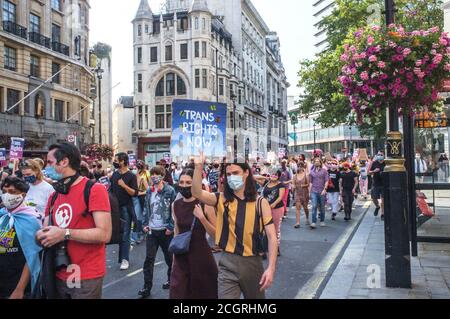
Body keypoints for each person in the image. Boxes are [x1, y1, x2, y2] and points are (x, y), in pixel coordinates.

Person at [191, 154, 278, 299]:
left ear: (246, 173)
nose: (232, 177)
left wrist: (271, 268)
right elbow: (196, 192)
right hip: (227, 263)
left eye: (235, 173)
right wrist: (198, 167)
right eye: (229, 174)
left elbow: (272, 237)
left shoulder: (260, 203)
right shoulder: (220, 198)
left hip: (252, 264)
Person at [35, 143, 112, 299]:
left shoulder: (94, 190)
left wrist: (65, 233)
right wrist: (40, 235)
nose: (46, 168)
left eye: (49, 162)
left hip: (85, 275)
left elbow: (104, 234)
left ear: (64, 162)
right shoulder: (54, 195)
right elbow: (46, 231)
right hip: (57, 272)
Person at [170, 169, 218, 299]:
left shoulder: (205, 203)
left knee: (204, 293)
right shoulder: (176, 204)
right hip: (181, 257)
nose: (184, 186)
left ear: (195, 184)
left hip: (201, 257)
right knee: (179, 293)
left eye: (188, 182)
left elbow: (216, 235)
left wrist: (202, 218)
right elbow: (177, 232)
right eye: (181, 182)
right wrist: (174, 260)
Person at [0, 176, 42, 299]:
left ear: (22, 195)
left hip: (17, 283)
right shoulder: (2, 215)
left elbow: (32, 258)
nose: (7, 195)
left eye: (12, 192)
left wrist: (20, 289)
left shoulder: (31, 220)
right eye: (4, 191)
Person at [139, 166, 176, 298]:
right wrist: (144, 224)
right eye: (152, 174)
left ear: (162, 175)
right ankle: (146, 287)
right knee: (149, 260)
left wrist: (171, 227)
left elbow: (174, 209)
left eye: (157, 174)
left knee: (169, 258)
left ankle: (171, 281)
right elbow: (146, 207)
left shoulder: (170, 190)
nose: (154, 176)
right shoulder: (149, 190)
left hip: (165, 231)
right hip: (152, 231)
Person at [110, 152, 138, 270]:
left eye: (117, 160)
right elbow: (110, 190)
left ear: (123, 161)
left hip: (126, 207)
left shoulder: (131, 176)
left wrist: (124, 186)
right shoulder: (114, 175)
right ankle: (122, 257)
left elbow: (134, 192)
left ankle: (125, 259)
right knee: (118, 234)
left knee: (126, 233)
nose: (115, 162)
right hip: (115, 209)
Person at [20, 159, 54, 224]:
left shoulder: (48, 189)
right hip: (25, 225)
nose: (26, 177)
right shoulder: (25, 186)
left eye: (28, 174)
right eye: (24, 175)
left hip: (41, 226)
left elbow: (52, 211)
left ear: (37, 171)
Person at [262, 170, 285, 256]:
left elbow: (280, 197)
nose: (274, 176)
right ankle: (263, 250)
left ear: (279, 176)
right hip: (265, 209)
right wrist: (266, 177)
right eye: (272, 174)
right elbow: (254, 177)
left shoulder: (280, 185)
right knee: (263, 229)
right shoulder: (266, 183)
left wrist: (273, 204)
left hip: (277, 209)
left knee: (275, 229)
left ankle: (276, 248)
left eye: (276, 175)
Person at [309, 158, 329, 229]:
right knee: (314, 206)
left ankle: (322, 220)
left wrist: (325, 189)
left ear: (320, 163)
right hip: (314, 191)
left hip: (322, 191)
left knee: (322, 207)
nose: (316, 162)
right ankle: (313, 222)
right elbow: (310, 182)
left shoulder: (324, 171)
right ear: (313, 163)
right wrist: (309, 192)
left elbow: (327, 181)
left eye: (318, 161)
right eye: (315, 161)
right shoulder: (311, 172)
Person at [292, 162, 310, 228]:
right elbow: (293, 183)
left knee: (305, 207)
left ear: (303, 167)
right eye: (298, 166)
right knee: (298, 207)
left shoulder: (306, 175)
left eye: (301, 166)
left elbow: (308, 184)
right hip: (297, 193)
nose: (300, 167)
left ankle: (307, 218)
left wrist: (304, 185)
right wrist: (293, 186)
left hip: (305, 193)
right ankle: (297, 222)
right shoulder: (295, 175)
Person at [369, 152, 385, 220]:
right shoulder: (374, 163)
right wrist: (374, 171)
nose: (380, 156)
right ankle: (377, 206)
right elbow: (368, 172)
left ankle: (382, 214)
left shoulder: (386, 163)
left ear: (384, 155)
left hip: (384, 183)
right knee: (374, 198)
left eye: (381, 155)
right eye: (378, 155)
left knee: (383, 200)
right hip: (375, 183)